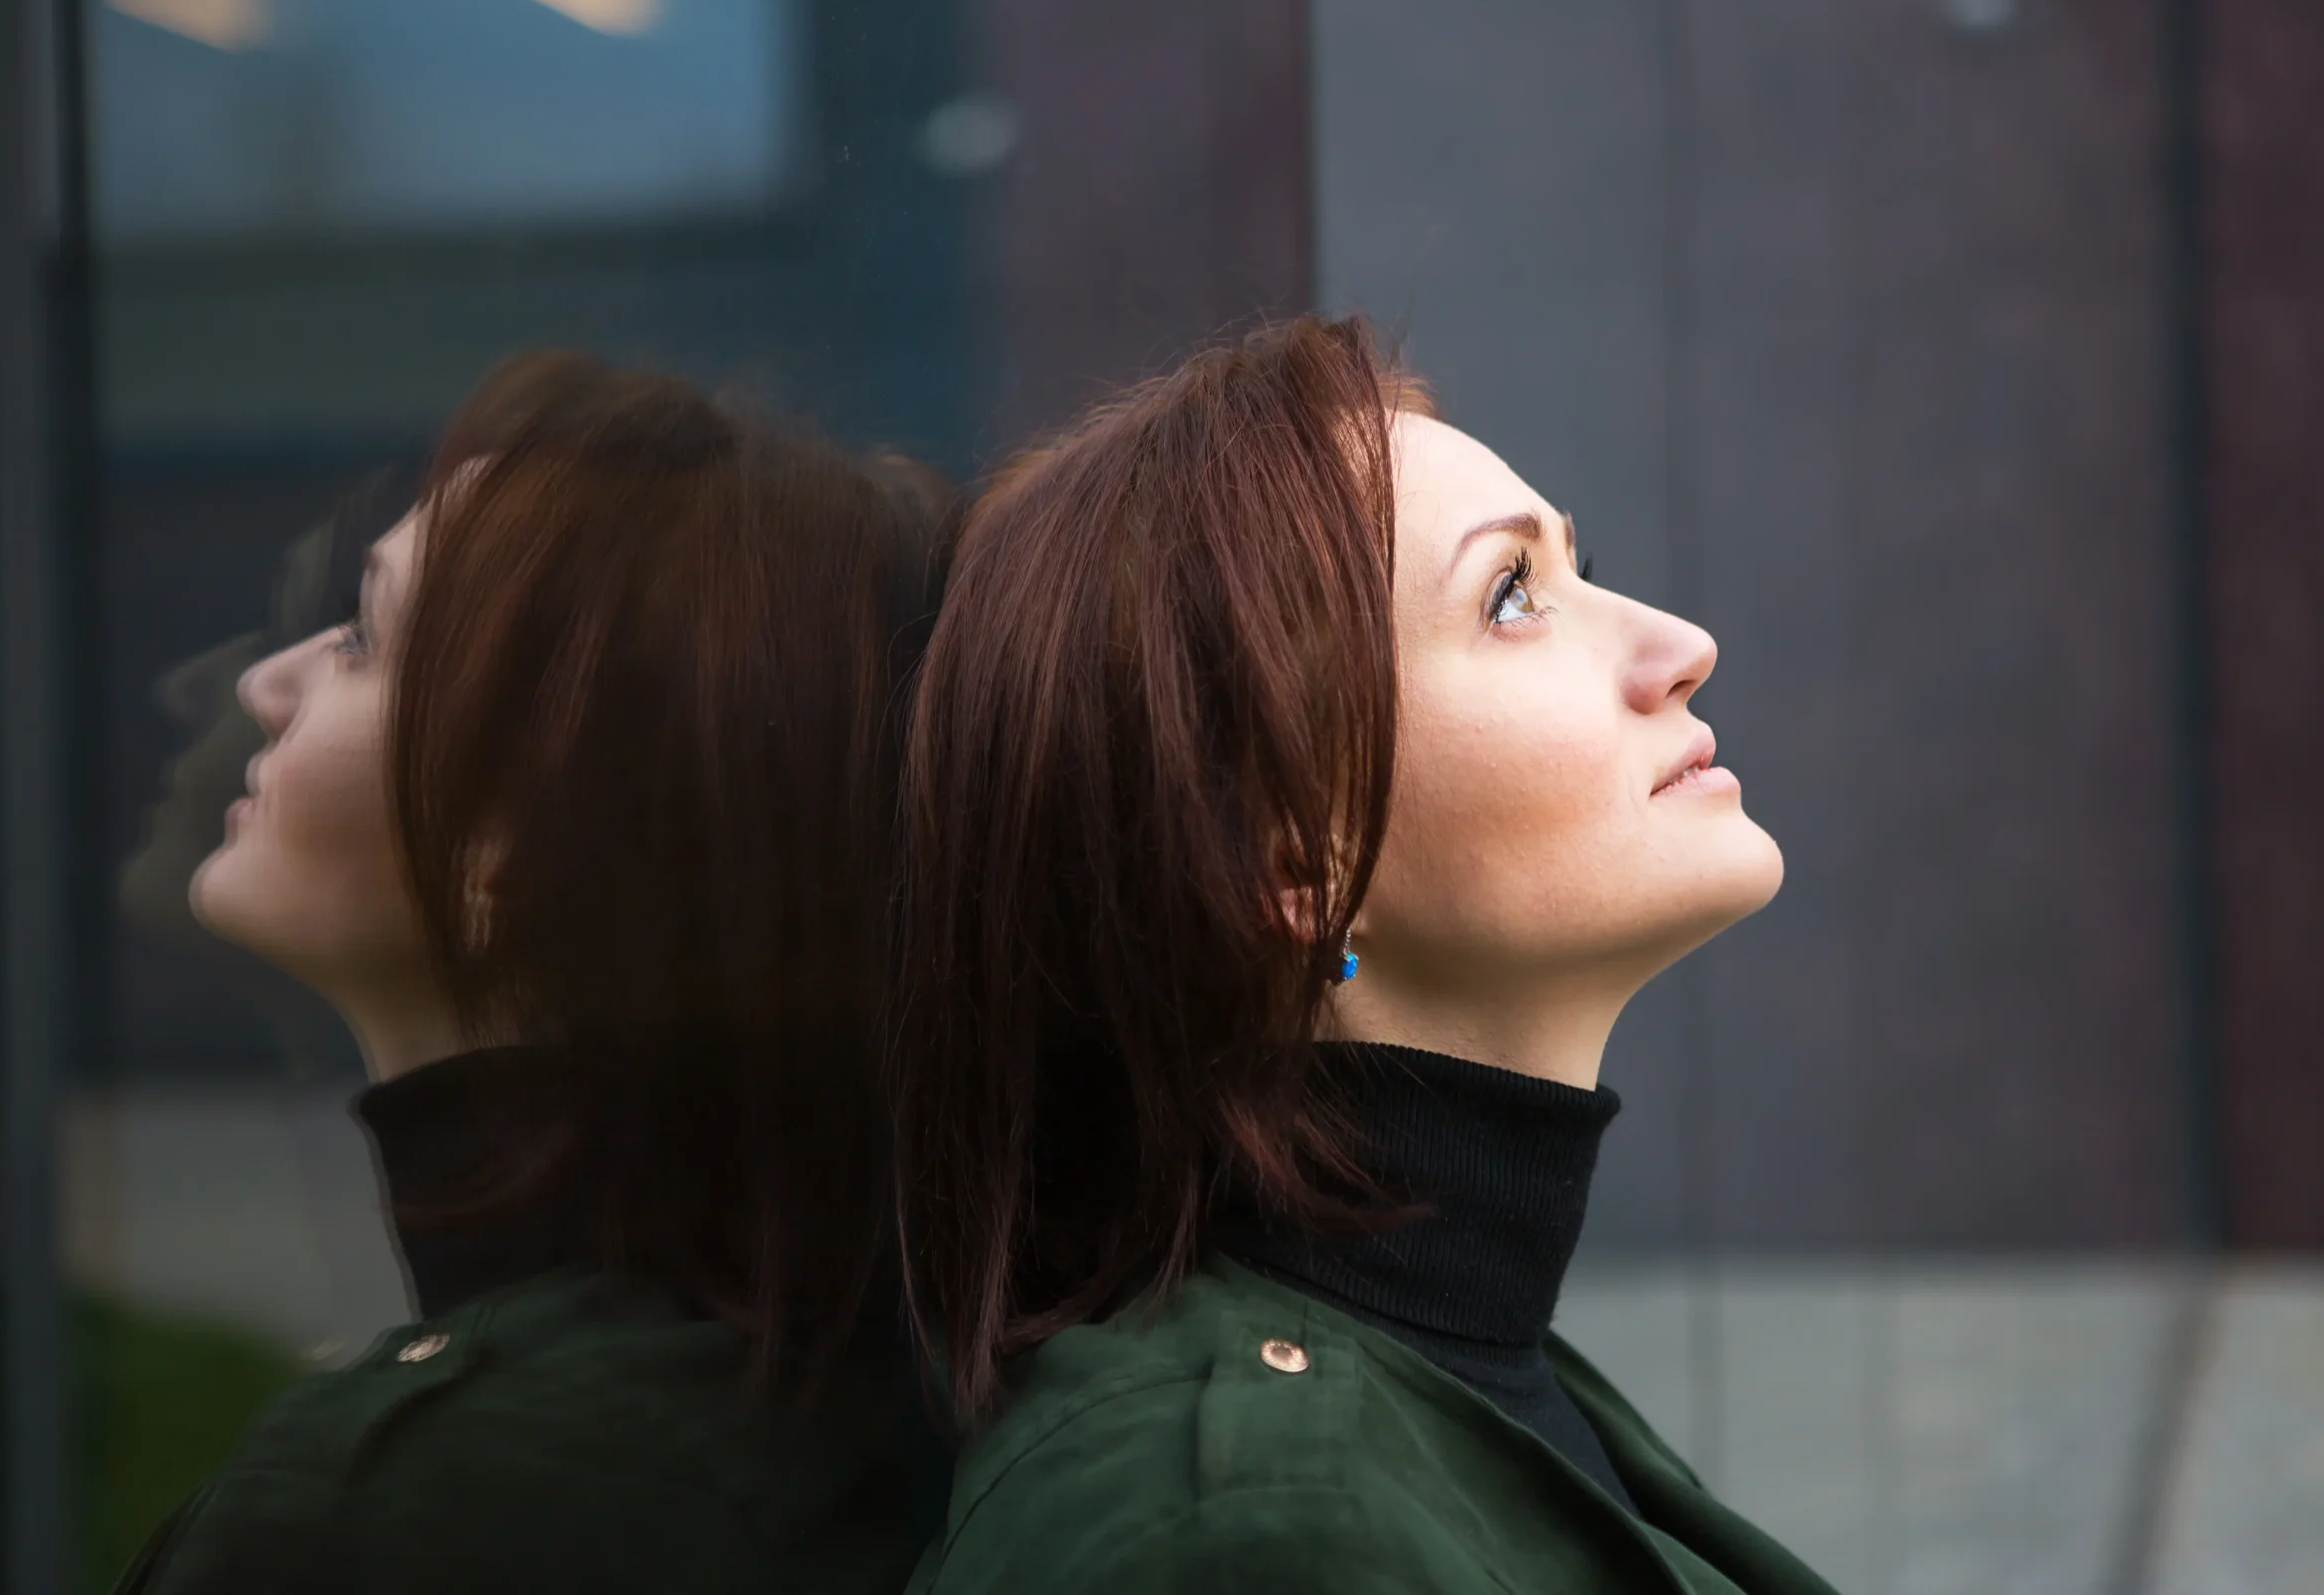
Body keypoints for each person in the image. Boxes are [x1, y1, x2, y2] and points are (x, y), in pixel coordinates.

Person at [892, 316, 1836, 1593]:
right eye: (1513, 597)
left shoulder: (1483, 1376)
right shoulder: (1250, 1525)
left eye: (1576, 566)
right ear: (1287, 867)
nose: (1677, 646)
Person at [115, 353, 956, 1594]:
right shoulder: (861, 1380)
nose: (263, 681)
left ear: (520, 839)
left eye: (360, 639)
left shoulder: (412, 1508)